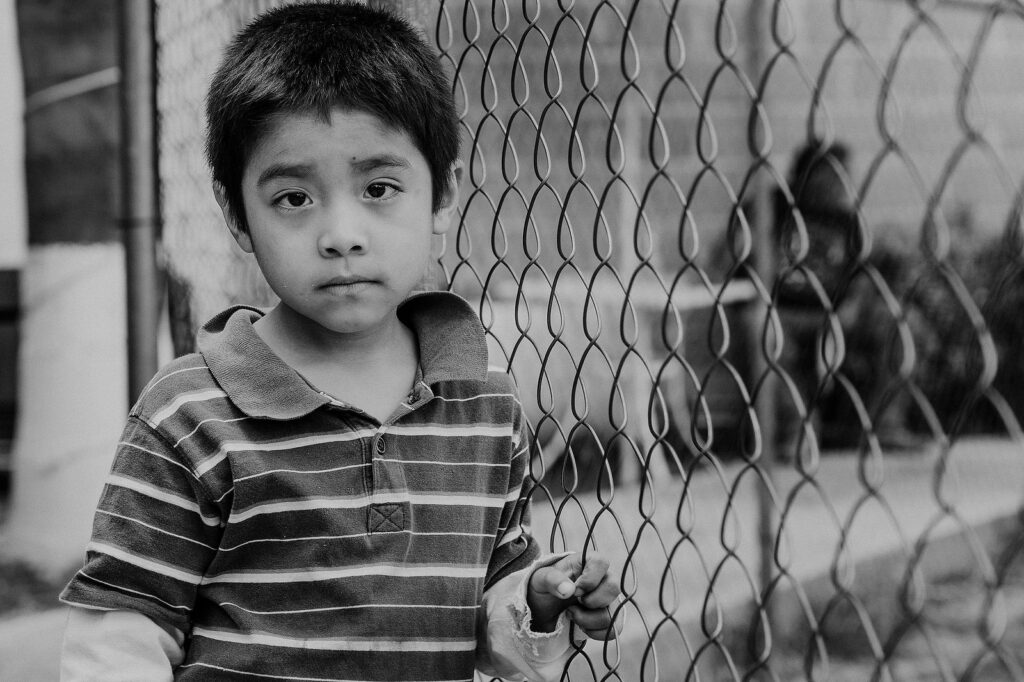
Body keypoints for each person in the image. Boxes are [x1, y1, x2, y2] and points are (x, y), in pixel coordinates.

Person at [58, 3, 620, 680]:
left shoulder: (485, 408)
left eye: (379, 187)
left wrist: (536, 601)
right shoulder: (189, 414)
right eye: (294, 199)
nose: (341, 234)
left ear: (442, 197)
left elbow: (487, 613)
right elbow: (124, 630)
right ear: (237, 214)